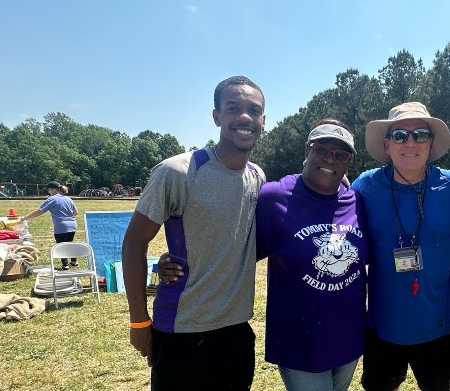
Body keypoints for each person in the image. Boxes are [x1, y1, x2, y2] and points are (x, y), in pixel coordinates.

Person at [156, 119, 368, 391]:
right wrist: (178, 259)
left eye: (340, 154)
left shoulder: (357, 202)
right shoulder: (274, 198)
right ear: (307, 151)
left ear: (348, 161)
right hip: (299, 339)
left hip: (348, 336)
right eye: (322, 150)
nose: (330, 158)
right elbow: (233, 247)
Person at [121, 75, 267, 391]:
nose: (245, 117)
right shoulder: (177, 171)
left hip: (237, 332)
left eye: (254, 110)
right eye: (233, 108)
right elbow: (134, 243)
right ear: (216, 116)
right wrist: (138, 322)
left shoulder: (257, 177)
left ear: (263, 120)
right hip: (181, 330)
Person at [351, 102, 450, 391]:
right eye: (400, 135)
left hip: (437, 325)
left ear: (431, 143)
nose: (410, 142)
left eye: (421, 135)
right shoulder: (365, 186)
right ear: (388, 145)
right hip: (383, 325)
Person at [19, 181, 79, 270]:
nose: (48, 192)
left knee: (61, 245)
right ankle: (74, 262)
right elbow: (76, 212)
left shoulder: (52, 199)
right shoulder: (68, 199)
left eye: (49, 190)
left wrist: (26, 218)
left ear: (53, 189)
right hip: (72, 225)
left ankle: (65, 265)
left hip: (61, 226)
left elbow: (39, 211)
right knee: (69, 243)